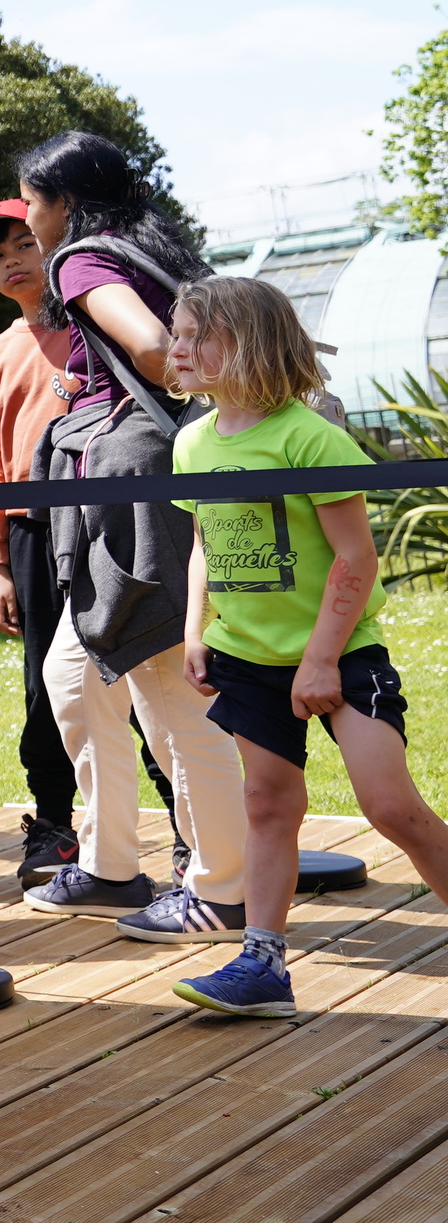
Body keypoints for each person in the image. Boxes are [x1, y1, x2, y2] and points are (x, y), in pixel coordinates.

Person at [166, 276, 448, 1016]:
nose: (179, 347)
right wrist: (196, 631)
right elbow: (203, 543)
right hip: (249, 659)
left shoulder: (309, 435)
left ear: (252, 342)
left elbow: (355, 557)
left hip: (341, 654)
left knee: (390, 806)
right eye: (178, 332)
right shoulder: (190, 442)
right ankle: (263, 964)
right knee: (267, 803)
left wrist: (322, 658)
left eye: (200, 334)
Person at [14, 131, 248, 935]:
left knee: (168, 693)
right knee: (75, 679)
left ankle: (222, 890)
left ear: (66, 204)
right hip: (144, 482)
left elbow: (152, 352)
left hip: (132, 492)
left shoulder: (81, 260)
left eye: (34, 201)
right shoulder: (155, 253)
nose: (29, 219)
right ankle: (112, 867)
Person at [0, 198, 181, 887]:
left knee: (145, 655)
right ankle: (55, 824)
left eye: (22, 245)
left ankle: (184, 821)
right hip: (33, 530)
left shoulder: (96, 322)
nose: (10, 263)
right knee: (48, 682)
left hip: (108, 515)